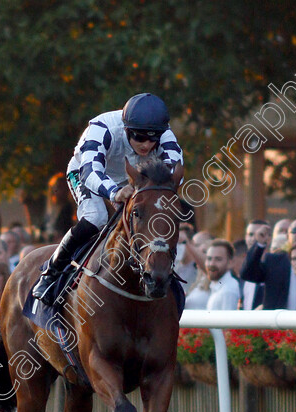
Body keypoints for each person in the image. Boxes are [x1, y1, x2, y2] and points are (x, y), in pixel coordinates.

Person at [31, 93, 184, 305]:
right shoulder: (103, 128)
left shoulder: (166, 135)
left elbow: (172, 175)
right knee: (96, 217)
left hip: (133, 180)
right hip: (85, 173)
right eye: (139, 137)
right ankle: (51, 273)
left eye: (153, 138)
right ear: (126, 129)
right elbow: (90, 171)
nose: (147, 145)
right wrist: (114, 192)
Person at [240, 217, 296, 310]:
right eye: (295, 230)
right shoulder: (274, 261)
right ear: (287, 236)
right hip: (277, 322)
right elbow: (247, 274)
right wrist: (259, 244)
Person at [41, 172, 75, 243]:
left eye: (60, 187)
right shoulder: (50, 209)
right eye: (55, 187)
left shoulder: (68, 208)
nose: (56, 191)